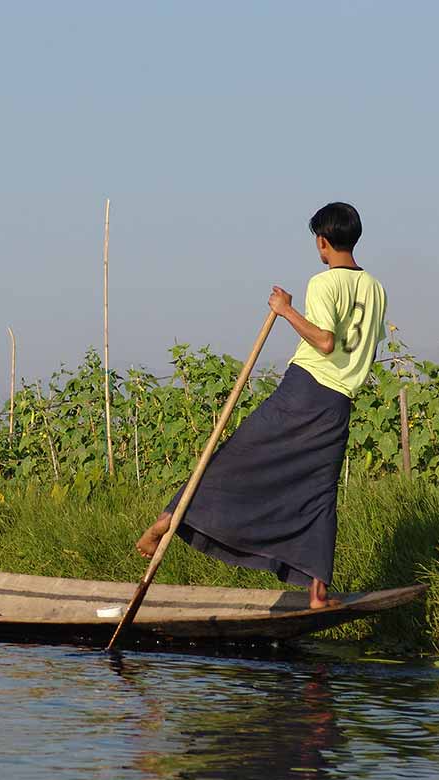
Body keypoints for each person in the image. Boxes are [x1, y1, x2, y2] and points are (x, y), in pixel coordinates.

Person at [135, 202, 387, 609]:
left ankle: (166, 521)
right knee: (319, 492)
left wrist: (285, 310)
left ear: (322, 243)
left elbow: (324, 342)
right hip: (339, 402)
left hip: (304, 392)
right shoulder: (376, 288)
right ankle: (317, 593)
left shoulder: (324, 283)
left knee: (234, 461)